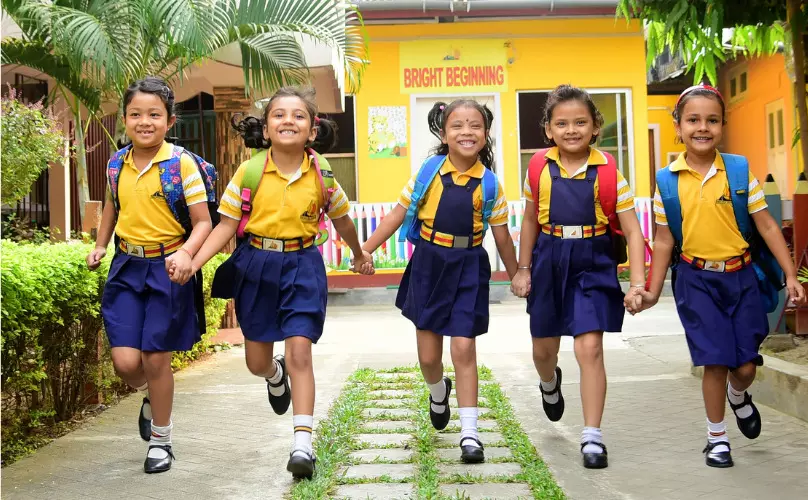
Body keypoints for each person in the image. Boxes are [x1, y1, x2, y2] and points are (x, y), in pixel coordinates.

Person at [186, 87, 373, 479]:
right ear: (266, 128)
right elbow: (226, 226)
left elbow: (341, 220)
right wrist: (193, 261)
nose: (289, 120)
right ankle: (274, 373)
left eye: (298, 115)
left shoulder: (321, 173)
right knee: (256, 362)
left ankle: (302, 445)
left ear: (312, 130)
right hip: (257, 265)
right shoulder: (250, 171)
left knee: (300, 351)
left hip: (304, 265)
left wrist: (358, 253)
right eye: (279, 115)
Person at [634, 84, 804, 468]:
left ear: (722, 126)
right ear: (678, 126)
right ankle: (717, 439)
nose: (702, 127)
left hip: (741, 278)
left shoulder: (739, 172)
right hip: (695, 280)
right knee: (714, 360)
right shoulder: (667, 181)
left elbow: (768, 226)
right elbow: (664, 241)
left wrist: (791, 275)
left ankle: (738, 395)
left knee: (744, 367)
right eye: (693, 120)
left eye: (712, 120)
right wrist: (651, 291)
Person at [361, 99, 518, 463]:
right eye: (457, 126)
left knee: (463, 348)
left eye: (475, 125)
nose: (467, 132)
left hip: (469, 266)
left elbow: (503, 237)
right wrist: (365, 249)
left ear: (485, 134)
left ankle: (470, 433)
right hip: (429, 264)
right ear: (444, 134)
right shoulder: (428, 173)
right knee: (429, 357)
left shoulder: (490, 184)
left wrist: (517, 275)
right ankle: (437, 390)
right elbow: (396, 214)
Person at [511, 84, 646, 469]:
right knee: (543, 351)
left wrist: (637, 284)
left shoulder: (610, 173)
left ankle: (592, 437)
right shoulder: (538, 169)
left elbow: (633, 231)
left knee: (590, 348)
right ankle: (549, 382)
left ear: (595, 126)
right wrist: (523, 269)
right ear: (549, 129)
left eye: (580, 122)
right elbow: (530, 220)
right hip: (549, 259)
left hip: (593, 260)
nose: (571, 130)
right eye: (562, 123)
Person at [86, 76, 213, 473]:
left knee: (156, 358)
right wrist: (101, 245)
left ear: (170, 121)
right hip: (126, 267)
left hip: (167, 269)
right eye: (135, 114)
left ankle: (161, 441)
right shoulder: (116, 164)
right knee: (126, 364)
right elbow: (113, 206)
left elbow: (203, 222)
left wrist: (186, 254)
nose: (145, 122)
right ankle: (150, 395)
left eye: (154, 114)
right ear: (124, 119)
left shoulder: (181, 164)